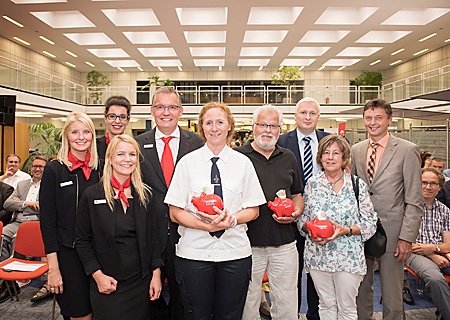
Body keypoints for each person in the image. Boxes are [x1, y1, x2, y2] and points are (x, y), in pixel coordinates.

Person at [164, 102, 266, 319]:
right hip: (194, 254)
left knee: (230, 316)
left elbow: (253, 209)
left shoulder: (243, 163)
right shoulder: (187, 163)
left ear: (229, 125)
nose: (214, 128)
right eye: (208, 123)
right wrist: (204, 225)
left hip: (234, 254)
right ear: (201, 127)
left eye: (220, 122)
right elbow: (175, 211)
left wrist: (231, 220)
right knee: (196, 315)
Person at [75, 135, 163, 319]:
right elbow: (82, 240)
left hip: (140, 282)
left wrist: (156, 275)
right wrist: (98, 276)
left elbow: (153, 239)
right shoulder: (92, 195)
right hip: (107, 281)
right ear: (109, 159)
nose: (127, 159)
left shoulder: (146, 195)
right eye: (120, 154)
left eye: (132, 154)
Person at [351, 98, 423, 320]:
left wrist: (406, 238)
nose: (373, 123)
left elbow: (414, 199)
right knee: (361, 289)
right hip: (362, 231)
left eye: (378, 118)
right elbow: (354, 191)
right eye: (368, 118)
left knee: (392, 292)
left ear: (390, 120)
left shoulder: (407, 150)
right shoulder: (356, 150)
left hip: (394, 232)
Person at [135, 86, 203, 320]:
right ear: (152, 110)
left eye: (172, 107)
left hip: (185, 233)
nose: (166, 112)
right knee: (148, 297)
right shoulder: (136, 145)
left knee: (184, 297)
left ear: (181, 111)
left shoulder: (196, 143)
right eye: (160, 106)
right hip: (148, 234)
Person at [298, 135, 377, 319]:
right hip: (318, 256)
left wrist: (346, 230)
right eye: (326, 153)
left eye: (336, 153)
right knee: (325, 305)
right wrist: (311, 231)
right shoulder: (312, 184)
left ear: (344, 157)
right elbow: (302, 219)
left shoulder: (357, 185)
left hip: (348, 257)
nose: (330, 157)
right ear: (320, 157)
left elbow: (370, 223)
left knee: (347, 308)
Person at [237, 105, 304, 320]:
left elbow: (297, 194)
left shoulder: (288, 157)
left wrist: (296, 212)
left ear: (280, 129)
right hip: (247, 244)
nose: (268, 130)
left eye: (273, 126)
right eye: (263, 125)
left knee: (286, 302)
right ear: (254, 127)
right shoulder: (238, 157)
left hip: (284, 244)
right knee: (247, 302)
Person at [40, 111, 102, 320]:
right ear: (66, 135)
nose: (81, 137)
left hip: (101, 252)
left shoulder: (101, 168)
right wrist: (53, 268)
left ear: (92, 135)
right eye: (75, 132)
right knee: (79, 313)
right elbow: (47, 223)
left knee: (101, 310)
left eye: (86, 131)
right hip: (69, 254)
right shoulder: (54, 170)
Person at [278, 97, 330, 320]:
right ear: (295, 116)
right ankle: (293, 313)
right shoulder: (281, 141)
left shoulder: (329, 141)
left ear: (318, 117)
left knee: (319, 273)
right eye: (303, 113)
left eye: (312, 113)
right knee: (292, 272)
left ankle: (314, 315)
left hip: (323, 217)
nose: (308, 117)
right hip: (292, 216)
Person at [0, 156, 47, 303]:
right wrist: (28, 203)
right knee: (2, 236)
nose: (37, 169)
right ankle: (7, 277)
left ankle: (18, 279)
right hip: (17, 221)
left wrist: (19, 204)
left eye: (41, 166)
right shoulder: (22, 184)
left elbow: (46, 208)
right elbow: (7, 204)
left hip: (35, 224)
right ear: (30, 168)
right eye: (35, 166)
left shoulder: (49, 185)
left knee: (16, 240)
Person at [405, 167, 450, 319]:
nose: (428, 187)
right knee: (436, 279)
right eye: (424, 182)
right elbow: (408, 243)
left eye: (433, 183)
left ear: (440, 187)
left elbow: (448, 245)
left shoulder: (444, 211)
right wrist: (433, 255)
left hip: (439, 251)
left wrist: (433, 249)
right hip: (412, 253)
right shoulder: (407, 208)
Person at [96, 96, 132, 160]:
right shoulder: (94, 147)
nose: (117, 121)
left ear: (128, 120)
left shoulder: (133, 147)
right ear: (105, 118)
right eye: (112, 116)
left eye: (122, 117)